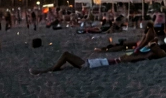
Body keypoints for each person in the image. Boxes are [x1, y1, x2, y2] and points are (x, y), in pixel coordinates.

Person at [32, 42, 165, 73]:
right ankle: (47, 70)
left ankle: (45, 71)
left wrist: (148, 50)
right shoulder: (139, 55)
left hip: (99, 63)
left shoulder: (140, 56)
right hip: (101, 62)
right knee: (66, 61)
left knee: (66, 55)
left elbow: (157, 51)